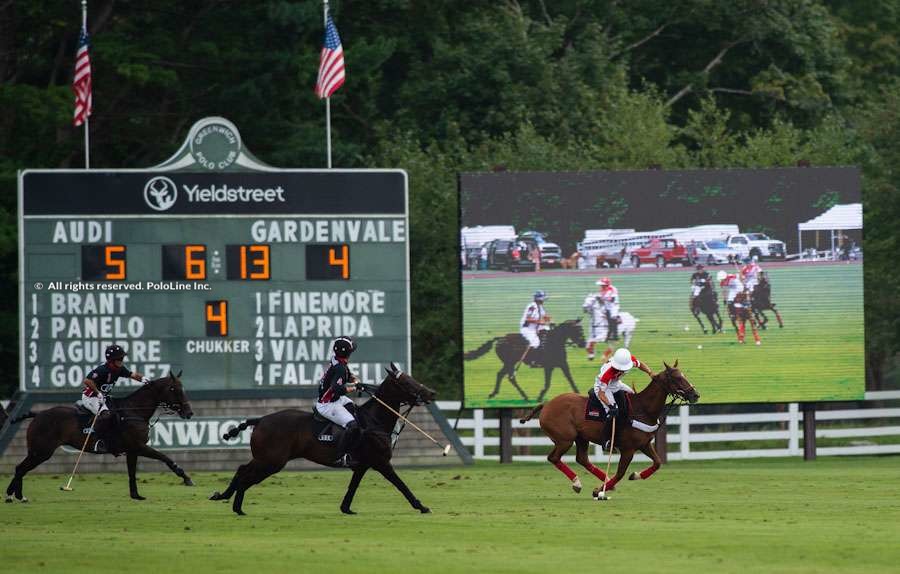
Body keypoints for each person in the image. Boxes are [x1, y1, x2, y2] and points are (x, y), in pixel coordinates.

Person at [81, 344, 150, 454]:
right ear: (111, 360)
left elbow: (132, 375)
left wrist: (143, 379)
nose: (122, 360)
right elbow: (87, 381)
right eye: (120, 359)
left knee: (118, 414)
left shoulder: (119, 369)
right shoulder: (102, 369)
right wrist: (98, 393)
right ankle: (97, 441)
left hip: (104, 397)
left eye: (122, 358)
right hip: (91, 397)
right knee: (106, 415)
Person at [590, 348, 653, 449]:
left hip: (615, 383)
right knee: (612, 411)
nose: (623, 369)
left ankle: (628, 422)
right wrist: (611, 406)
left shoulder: (629, 360)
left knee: (633, 395)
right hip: (603, 388)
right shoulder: (608, 372)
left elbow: (640, 364)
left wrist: (650, 373)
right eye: (621, 368)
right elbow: (602, 394)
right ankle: (606, 440)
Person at [315, 336, 362, 466]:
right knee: (352, 425)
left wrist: (353, 378)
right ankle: (341, 456)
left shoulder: (337, 360)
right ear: (347, 352)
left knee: (356, 411)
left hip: (335, 400)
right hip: (328, 404)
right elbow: (336, 388)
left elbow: (345, 373)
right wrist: (353, 387)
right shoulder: (340, 367)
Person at [520, 290, 550, 365]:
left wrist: (549, 319)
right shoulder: (532, 306)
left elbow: (545, 317)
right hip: (527, 329)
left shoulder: (540, 307)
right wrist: (539, 322)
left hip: (536, 327)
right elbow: (528, 319)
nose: (544, 301)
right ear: (538, 299)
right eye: (543, 299)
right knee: (536, 343)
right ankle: (533, 361)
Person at [597, 277, 621, 341]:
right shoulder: (601, 290)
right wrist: (599, 299)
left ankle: (615, 335)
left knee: (612, 318)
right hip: (606, 307)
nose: (601, 286)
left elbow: (613, 299)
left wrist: (603, 299)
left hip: (614, 306)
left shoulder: (613, 289)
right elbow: (601, 302)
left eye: (602, 285)